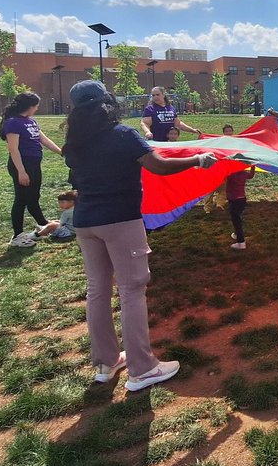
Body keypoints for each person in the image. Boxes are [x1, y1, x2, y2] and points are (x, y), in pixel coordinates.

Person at [62, 79, 217, 392]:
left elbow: (77, 181)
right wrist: (197, 160)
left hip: (85, 222)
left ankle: (106, 363)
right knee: (132, 289)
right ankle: (143, 369)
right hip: (120, 220)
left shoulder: (74, 142)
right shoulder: (122, 134)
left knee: (97, 290)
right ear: (106, 103)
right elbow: (157, 166)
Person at [0, 92, 63, 248]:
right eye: (36, 105)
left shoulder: (31, 122)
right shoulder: (13, 123)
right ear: (30, 106)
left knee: (33, 196)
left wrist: (62, 152)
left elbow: (44, 140)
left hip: (34, 164)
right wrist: (21, 171)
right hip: (21, 165)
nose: (37, 108)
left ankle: (42, 224)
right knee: (21, 199)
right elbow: (13, 149)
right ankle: (17, 236)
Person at [201, 124, 235, 212]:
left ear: (233, 132)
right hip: (215, 170)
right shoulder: (218, 142)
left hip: (224, 171)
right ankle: (208, 208)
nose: (228, 133)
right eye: (226, 131)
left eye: (230, 131)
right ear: (223, 133)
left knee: (223, 189)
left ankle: (220, 204)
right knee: (210, 190)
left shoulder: (236, 143)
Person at [225, 160, 256, 250]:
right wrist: (253, 166)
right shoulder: (243, 174)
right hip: (242, 200)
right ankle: (236, 234)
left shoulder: (231, 174)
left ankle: (241, 242)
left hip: (234, 201)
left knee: (236, 220)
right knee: (237, 218)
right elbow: (251, 175)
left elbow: (223, 173)